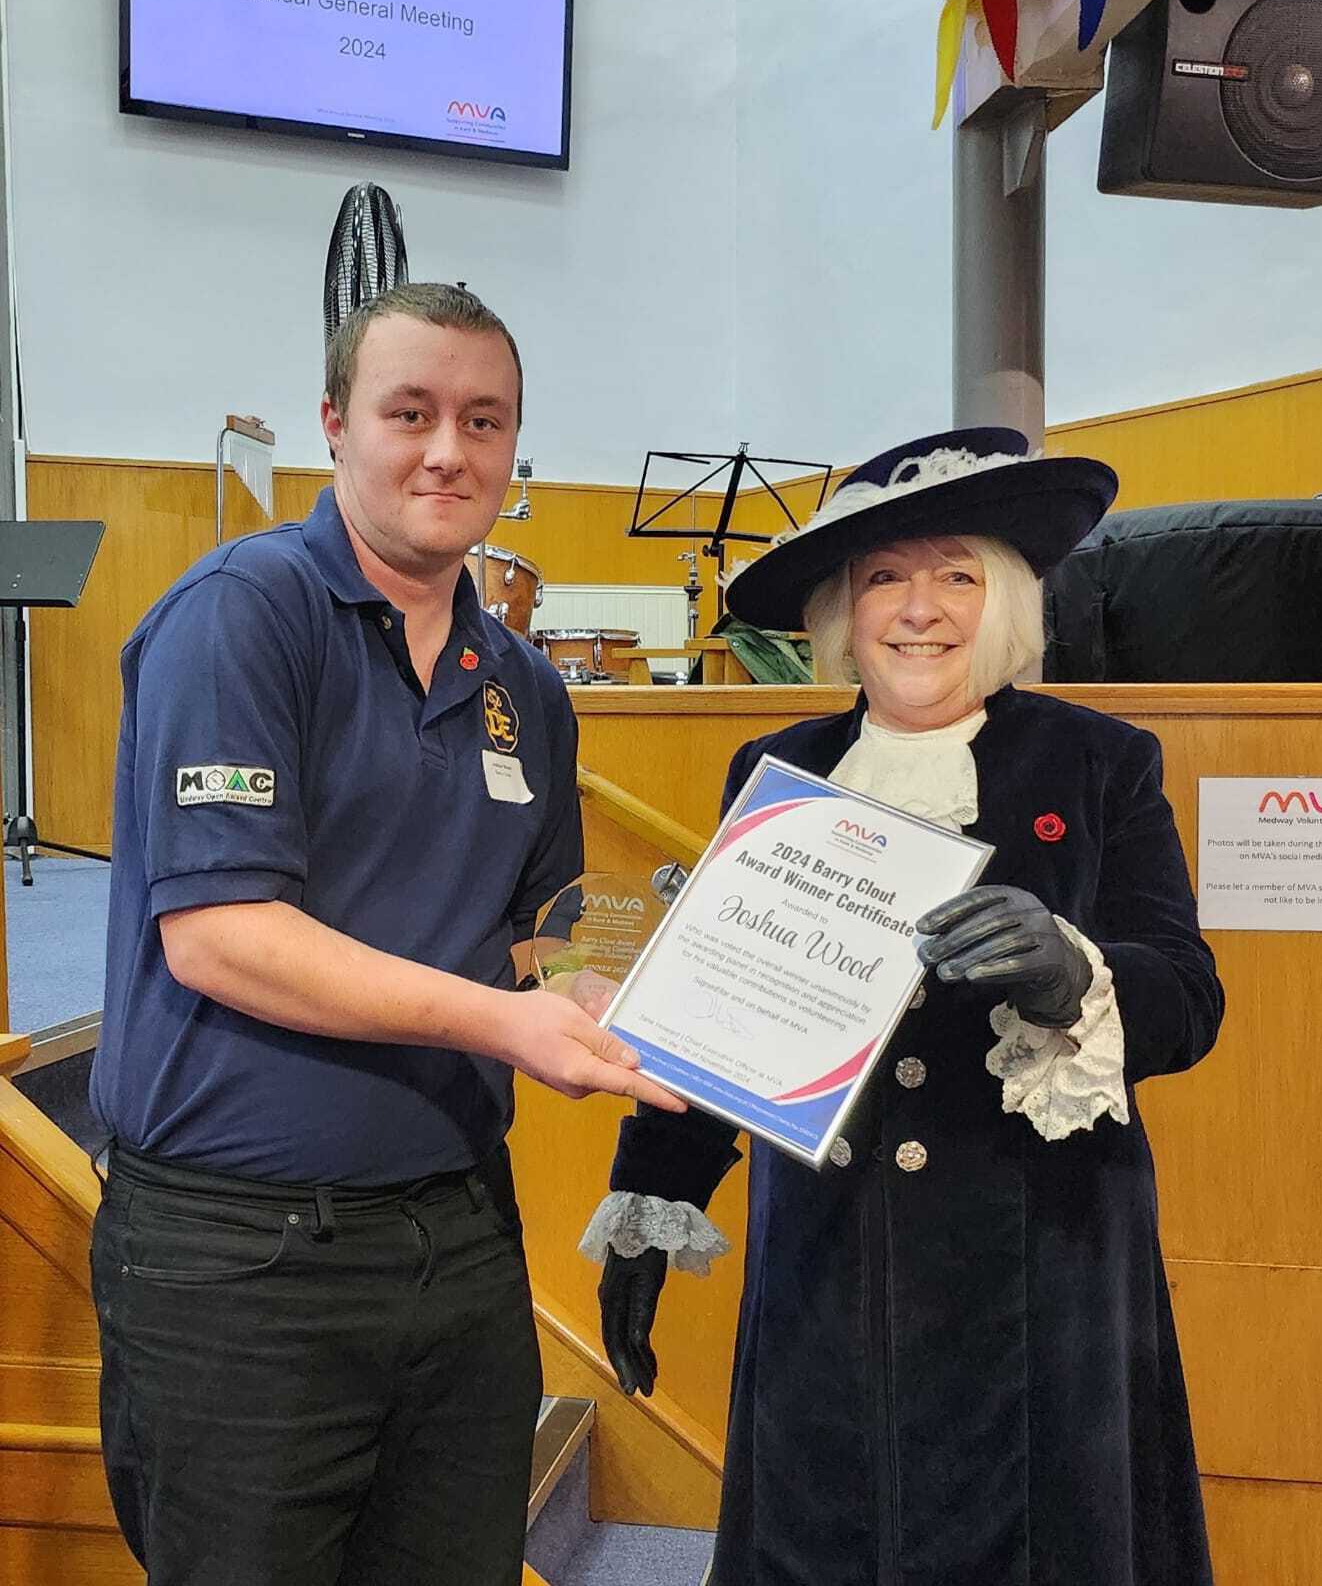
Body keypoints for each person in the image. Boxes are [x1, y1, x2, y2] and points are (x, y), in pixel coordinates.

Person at [87, 281, 682, 1586]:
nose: (447, 451)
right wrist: (507, 1019)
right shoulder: (241, 615)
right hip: (242, 1260)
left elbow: (545, 932)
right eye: (409, 412)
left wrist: (671, 978)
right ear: (335, 425)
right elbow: (223, 935)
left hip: (460, 1241)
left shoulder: (523, 685)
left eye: (484, 420)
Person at [586, 427, 1225, 1586]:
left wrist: (1074, 969)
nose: (918, 607)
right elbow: (723, 1005)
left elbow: (1187, 998)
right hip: (828, 1265)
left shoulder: (1101, 764)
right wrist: (653, 1193)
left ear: (1009, 601)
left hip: (1042, 1272)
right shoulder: (777, 768)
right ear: (842, 609)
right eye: (884, 575)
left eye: (955, 573)